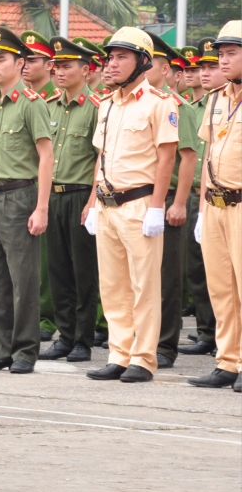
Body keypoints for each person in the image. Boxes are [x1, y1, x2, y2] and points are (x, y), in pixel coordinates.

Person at [84, 27, 179, 383]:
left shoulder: (159, 103)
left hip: (140, 204)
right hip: (108, 204)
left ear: (143, 61)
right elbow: (102, 156)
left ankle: (143, 357)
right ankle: (119, 353)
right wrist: (94, 201)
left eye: (122, 57)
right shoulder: (107, 104)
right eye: (111, 56)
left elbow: (166, 158)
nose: (113, 63)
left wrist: (157, 207)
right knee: (113, 286)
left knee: (144, 286)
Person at [0, 27, 54, 374]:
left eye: (0, 59)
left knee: (23, 279)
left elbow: (46, 156)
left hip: (20, 195)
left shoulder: (31, 104)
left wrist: (41, 207)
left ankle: (24, 351)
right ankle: (1, 347)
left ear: (20, 63)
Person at [40, 36, 101, 364]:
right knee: (58, 270)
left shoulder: (96, 108)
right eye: (57, 66)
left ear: (86, 70)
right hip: (54, 196)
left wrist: (92, 201)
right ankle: (64, 335)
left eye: (67, 67)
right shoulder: (48, 107)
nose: (59, 72)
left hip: (80, 196)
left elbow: (100, 159)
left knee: (83, 272)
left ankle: (83, 339)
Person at [189, 21, 241, 392]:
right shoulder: (217, 98)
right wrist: (204, 208)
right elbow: (208, 154)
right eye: (220, 54)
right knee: (221, 289)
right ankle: (228, 361)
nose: (222, 61)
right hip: (216, 204)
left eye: (230, 54)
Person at [143, 33, 200, 370]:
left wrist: (178, 204)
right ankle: (141, 341)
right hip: (137, 197)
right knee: (140, 275)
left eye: (150, 65)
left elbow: (188, 158)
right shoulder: (134, 104)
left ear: (165, 70)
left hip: (166, 199)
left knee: (167, 277)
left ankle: (165, 344)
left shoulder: (179, 107)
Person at [181, 38, 219, 356]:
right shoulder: (191, 108)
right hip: (196, 194)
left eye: (211, 66)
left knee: (224, 270)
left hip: (223, 198)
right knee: (196, 267)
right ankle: (207, 331)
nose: (204, 73)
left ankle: (225, 334)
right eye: (200, 67)